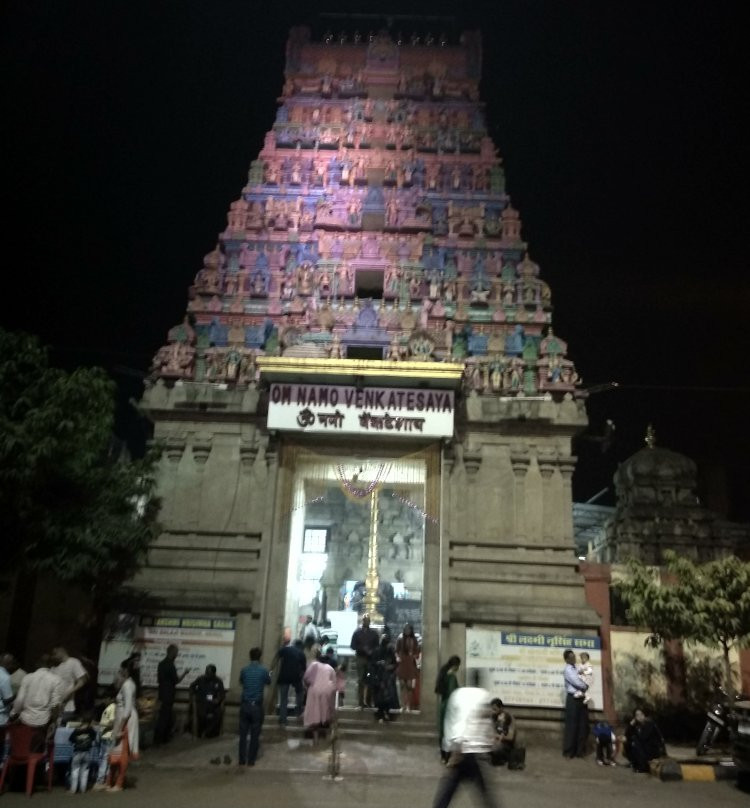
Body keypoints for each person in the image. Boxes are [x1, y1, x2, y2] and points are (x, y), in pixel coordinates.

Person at [431, 687, 500, 808]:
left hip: (467, 753)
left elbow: (466, 730)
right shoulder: (481, 707)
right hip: (470, 754)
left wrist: (456, 751)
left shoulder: (470, 706)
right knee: (482, 792)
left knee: (449, 789)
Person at [10, 654, 65, 751]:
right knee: (37, 753)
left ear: (37, 664)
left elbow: (20, 699)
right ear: (51, 665)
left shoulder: (28, 677)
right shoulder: (56, 680)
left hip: (25, 719)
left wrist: (14, 714)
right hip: (43, 721)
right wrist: (54, 721)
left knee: (21, 750)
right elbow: (55, 705)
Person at [106, 660, 139, 792]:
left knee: (122, 752)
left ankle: (119, 782)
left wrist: (120, 727)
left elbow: (127, 709)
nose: (118, 675)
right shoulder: (126, 685)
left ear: (125, 671)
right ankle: (112, 780)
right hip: (121, 720)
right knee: (116, 751)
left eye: (120, 671)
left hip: (126, 721)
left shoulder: (127, 685)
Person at [238, 647, 271, 766]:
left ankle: (241, 760)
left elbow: (241, 681)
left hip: (245, 705)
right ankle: (251, 760)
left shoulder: (244, 670)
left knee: (242, 735)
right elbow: (268, 682)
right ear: (260, 657)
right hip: (256, 706)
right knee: (254, 735)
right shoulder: (263, 671)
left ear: (250, 656)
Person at [154, 644, 189, 744]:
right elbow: (176, 680)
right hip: (168, 695)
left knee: (164, 716)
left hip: (162, 693)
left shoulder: (161, 664)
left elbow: (159, 680)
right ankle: (161, 739)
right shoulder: (170, 665)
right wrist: (185, 673)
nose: (177, 655)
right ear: (172, 652)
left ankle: (161, 738)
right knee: (165, 717)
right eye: (176, 652)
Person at [302, 650, 337, 743]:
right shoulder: (330, 668)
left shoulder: (314, 664)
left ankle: (316, 739)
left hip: (314, 690)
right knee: (326, 712)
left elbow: (305, 678)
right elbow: (334, 683)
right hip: (327, 690)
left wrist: (307, 687)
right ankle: (328, 737)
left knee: (315, 714)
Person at [562, 648, 589, 759]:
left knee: (582, 726)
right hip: (573, 699)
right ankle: (569, 751)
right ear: (566, 659)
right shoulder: (568, 670)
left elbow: (586, 677)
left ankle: (580, 751)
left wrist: (586, 682)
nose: (574, 658)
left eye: (574, 656)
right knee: (572, 726)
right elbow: (577, 682)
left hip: (581, 698)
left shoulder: (577, 667)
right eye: (571, 657)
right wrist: (585, 685)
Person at [51, 646, 88, 723]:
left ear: (61, 651)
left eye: (55, 654)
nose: (53, 656)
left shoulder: (73, 662)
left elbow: (83, 680)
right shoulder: (55, 667)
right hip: (54, 707)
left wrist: (69, 692)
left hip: (67, 707)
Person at [623, 708, 665, 773]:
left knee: (635, 741)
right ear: (635, 717)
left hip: (652, 748)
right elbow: (626, 735)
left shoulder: (650, 724)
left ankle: (643, 766)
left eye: (641, 714)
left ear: (644, 715)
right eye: (637, 715)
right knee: (627, 742)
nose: (640, 716)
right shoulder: (636, 726)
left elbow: (643, 737)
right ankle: (635, 763)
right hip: (644, 748)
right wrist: (631, 725)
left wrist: (634, 740)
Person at [350, 613, 379, 708]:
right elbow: (353, 646)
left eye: (368, 620)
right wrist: (362, 648)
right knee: (361, 680)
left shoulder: (374, 633)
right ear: (362, 621)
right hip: (361, 658)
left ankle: (369, 701)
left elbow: (377, 647)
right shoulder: (357, 632)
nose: (366, 622)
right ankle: (361, 702)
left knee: (370, 680)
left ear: (369, 622)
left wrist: (371, 651)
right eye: (364, 620)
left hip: (370, 660)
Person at [435, 655, 461, 762]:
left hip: (443, 705)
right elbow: (452, 692)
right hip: (450, 706)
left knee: (443, 730)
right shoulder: (452, 677)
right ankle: (447, 756)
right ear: (455, 665)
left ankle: (443, 756)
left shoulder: (443, 674)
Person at [275, 638, 306, 726]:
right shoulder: (301, 653)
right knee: (300, 693)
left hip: (284, 676)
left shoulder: (285, 649)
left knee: (283, 698)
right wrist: (301, 679)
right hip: (296, 677)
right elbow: (303, 670)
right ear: (301, 647)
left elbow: (277, 656)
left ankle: (283, 719)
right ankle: (298, 711)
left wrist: (271, 670)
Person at [190, 664, 225, 738]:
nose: (206, 674)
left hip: (213, 703)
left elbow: (222, 694)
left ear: (213, 673)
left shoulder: (218, 681)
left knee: (218, 714)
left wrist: (218, 700)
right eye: (206, 672)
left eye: (208, 673)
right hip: (202, 702)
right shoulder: (201, 679)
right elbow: (192, 686)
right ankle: (201, 732)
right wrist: (194, 695)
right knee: (202, 715)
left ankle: (207, 732)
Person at [371, 635, 399, 722]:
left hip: (388, 678)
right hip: (379, 677)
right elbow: (373, 664)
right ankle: (381, 715)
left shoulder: (390, 651)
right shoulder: (376, 651)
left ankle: (386, 714)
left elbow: (394, 664)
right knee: (380, 698)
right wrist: (380, 664)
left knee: (387, 698)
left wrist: (390, 667)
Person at [93, 689, 117, 790]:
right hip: (104, 736)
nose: (104, 700)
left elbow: (112, 723)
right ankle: (104, 780)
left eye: (106, 698)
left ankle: (102, 780)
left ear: (111, 699)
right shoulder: (108, 707)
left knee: (104, 759)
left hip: (108, 736)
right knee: (103, 758)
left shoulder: (113, 707)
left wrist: (99, 724)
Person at [68, 710, 97, 793]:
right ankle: (83, 789)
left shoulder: (76, 731)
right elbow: (94, 738)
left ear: (81, 721)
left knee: (75, 771)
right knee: (85, 771)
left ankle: (73, 789)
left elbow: (71, 740)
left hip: (77, 752)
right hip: (87, 753)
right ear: (90, 721)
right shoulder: (91, 730)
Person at [395, 623, 420, 713]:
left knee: (409, 686)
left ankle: (409, 705)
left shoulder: (414, 639)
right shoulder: (400, 638)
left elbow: (417, 651)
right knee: (402, 686)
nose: (407, 630)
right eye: (405, 629)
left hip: (410, 664)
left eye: (409, 629)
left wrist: (414, 656)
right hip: (402, 663)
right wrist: (397, 657)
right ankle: (402, 705)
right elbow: (396, 651)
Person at [489, 698, 516, 766]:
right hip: (495, 742)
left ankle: (502, 758)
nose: (493, 711)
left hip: (506, 744)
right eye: (492, 709)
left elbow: (510, 737)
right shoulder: (493, 717)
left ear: (501, 708)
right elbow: (491, 731)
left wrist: (496, 736)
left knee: (495, 748)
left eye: (495, 709)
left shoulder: (509, 717)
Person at [0, 653, 14, 728]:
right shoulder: (5, 677)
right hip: (1, 718)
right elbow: (7, 699)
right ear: (10, 664)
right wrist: (15, 696)